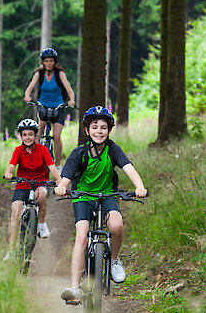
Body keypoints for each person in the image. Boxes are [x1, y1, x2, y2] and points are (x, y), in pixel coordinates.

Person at [55, 106, 147, 303]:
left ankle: (113, 260)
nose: (99, 131)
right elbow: (67, 176)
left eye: (103, 127)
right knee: (82, 236)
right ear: (87, 130)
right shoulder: (80, 152)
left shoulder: (113, 149)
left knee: (116, 225)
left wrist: (139, 186)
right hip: (83, 196)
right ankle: (74, 287)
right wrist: (62, 187)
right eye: (94, 127)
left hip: (107, 195)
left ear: (109, 131)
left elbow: (128, 168)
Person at [3, 119, 62, 261]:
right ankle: (10, 251)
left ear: (36, 135)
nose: (27, 137)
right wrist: (8, 173)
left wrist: (59, 180)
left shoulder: (43, 150)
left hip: (40, 183)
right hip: (22, 185)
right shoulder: (18, 150)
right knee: (15, 212)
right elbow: (11, 166)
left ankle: (41, 224)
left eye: (30, 134)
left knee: (41, 195)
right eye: (24, 135)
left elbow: (52, 167)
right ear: (21, 136)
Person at [23, 48, 76, 173]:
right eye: (46, 61)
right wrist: (27, 96)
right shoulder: (39, 74)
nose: (49, 63)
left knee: (56, 137)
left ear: (55, 62)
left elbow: (69, 89)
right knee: (38, 134)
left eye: (51, 61)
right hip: (43, 108)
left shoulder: (60, 74)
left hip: (58, 109)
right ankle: (35, 160)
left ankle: (57, 165)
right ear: (42, 62)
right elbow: (29, 87)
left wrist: (71, 100)